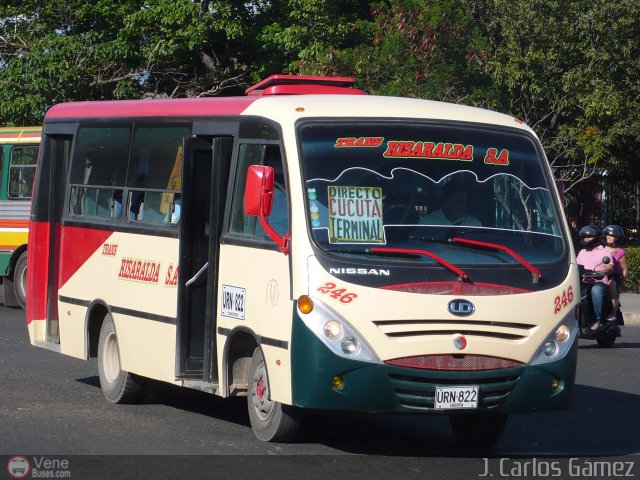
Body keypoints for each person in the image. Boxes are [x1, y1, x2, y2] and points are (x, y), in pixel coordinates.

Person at [576, 225, 613, 331]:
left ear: (596, 237)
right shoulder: (582, 252)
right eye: (585, 237)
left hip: (599, 282)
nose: (586, 239)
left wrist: (598, 272)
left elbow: (610, 268)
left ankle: (598, 319)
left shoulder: (604, 252)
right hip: (582, 282)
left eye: (589, 236)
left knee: (596, 290)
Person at [602, 225, 628, 322]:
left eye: (611, 236)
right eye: (607, 235)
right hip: (602, 273)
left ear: (617, 238)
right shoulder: (601, 249)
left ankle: (613, 314)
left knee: (611, 285)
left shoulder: (620, 252)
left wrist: (621, 282)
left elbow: (624, 269)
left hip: (614, 275)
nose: (608, 237)